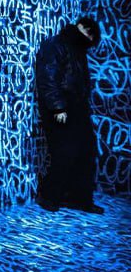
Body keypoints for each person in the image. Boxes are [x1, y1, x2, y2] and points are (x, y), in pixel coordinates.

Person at [35, 16, 104, 214]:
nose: (89, 38)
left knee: (86, 153)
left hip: (77, 108)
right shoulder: (56, 45)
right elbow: (48, 76)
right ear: (80, 27)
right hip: (61, 109)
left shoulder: (77, 49)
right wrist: (58, 107)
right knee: (64, 154)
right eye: (88, 32)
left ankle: (79, 199)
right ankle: (49, 196)